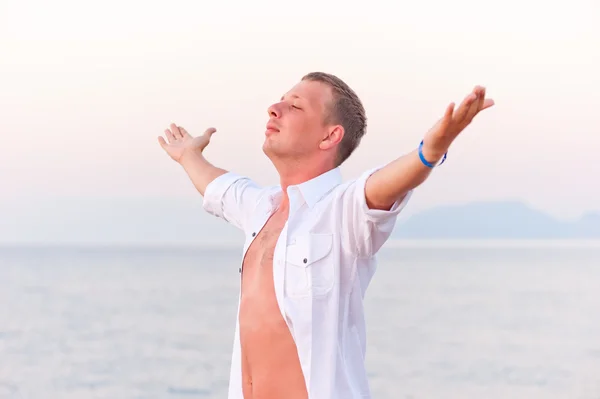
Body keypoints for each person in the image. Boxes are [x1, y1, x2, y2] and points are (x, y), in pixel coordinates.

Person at [158, 72, 494, 399]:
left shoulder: (341, 211)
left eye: (296, 105)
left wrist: (428, 153)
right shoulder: (260, 208)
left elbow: (383, 185)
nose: (275, 108)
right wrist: (189, 154)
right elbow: (218, 186)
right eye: (281, 99)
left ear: (329, 137)